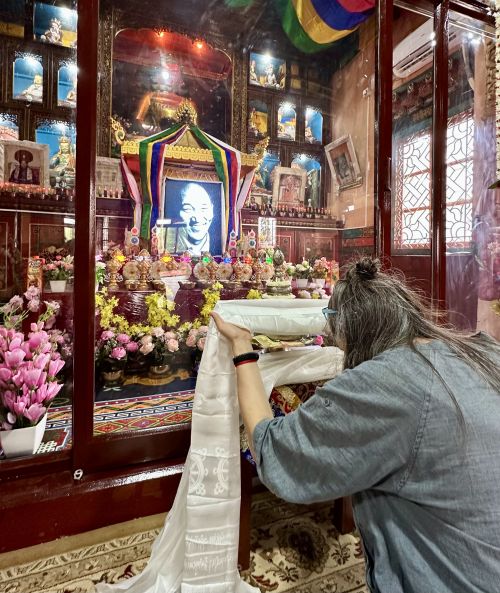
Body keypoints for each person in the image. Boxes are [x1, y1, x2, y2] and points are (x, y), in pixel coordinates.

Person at [211, 257, 500, 593]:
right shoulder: (482, 351)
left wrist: (242, 347)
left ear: (347, 328)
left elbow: (275, 451)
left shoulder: (385, 383)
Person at [175, 182, 214, 255]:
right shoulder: (169, 249)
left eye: (204, 208)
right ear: (177, 211)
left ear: (212, 210)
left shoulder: (219, 248)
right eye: (187, 209)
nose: (197, 219)